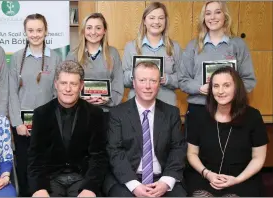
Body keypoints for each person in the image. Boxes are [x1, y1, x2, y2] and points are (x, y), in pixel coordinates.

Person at [104, 61, 187, 197]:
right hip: (128, 178)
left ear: (159, 84)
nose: (147, 86)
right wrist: (134, 185)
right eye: (142, 80)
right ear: (134, 83)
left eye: (153, 81)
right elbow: (114, 151)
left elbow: (178, 148)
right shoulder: (118, 113)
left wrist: (165, 182)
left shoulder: (171, 113)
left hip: (162, 177)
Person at [27, 60, 108, 197]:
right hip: (50, 179)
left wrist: (90, 188)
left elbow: (99, 157)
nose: (68, 89)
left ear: (81, 86)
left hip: (83, 179)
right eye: (64, 83)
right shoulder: (41, 114)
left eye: (73, 84)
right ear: (56, 84)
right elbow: (35, 157)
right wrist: (39, 188)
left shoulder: (96, 114)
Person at [185, 66, 268, 197]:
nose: (220, 91)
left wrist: (237, 179)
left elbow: (258, 157)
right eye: (216, 86)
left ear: (237, 88)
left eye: (226, 85)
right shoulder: (198, 116)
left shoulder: (253, 116)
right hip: (204, 175)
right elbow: (192, 153)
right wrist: (208, 174)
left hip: (242, 177)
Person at [178, 1, 256, 131]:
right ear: (204, 18)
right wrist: (199, 88)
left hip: (231, 110)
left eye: (217, 12)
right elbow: (182, 80)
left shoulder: (238, 45)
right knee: (195, 151)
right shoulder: (193, 46)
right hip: (199, 109)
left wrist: (229, 91)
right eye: (208, 13)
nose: (212, 17)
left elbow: (249, 80)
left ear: (225, 16)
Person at [8, 13, 61, 197]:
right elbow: (11, 93)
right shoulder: (15, 58)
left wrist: (54, 121)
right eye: (31, 30)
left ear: (46, 31)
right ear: (25, 32)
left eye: (39, 30)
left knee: (46, 166)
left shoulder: (55, 58)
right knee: (24, 166)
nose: (35, 34)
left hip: (48, 123)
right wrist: (17, 122)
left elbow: (58, 93)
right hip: (23, 125)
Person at [123, 2, 182, 106]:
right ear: (144, 21)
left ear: (165, 21)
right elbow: (123, 79)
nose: (156, 21)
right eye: (152, 18)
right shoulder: (131, 47)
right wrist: (136, 75)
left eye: (161, 18)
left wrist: (167, 79)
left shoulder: (174, 47)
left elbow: (182, 79)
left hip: (167, 105)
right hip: (137, 106)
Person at [66, 13, 123, 111]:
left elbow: (118, 84)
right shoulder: (73, 55)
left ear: (104, 31)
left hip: (107, 113)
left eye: (98, 28)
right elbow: (67, 85)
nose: (93, 32)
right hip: (80, 112)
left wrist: (108, 99)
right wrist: (80, 97)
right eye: (89, 28)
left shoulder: (113, 53)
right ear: (83, 31)